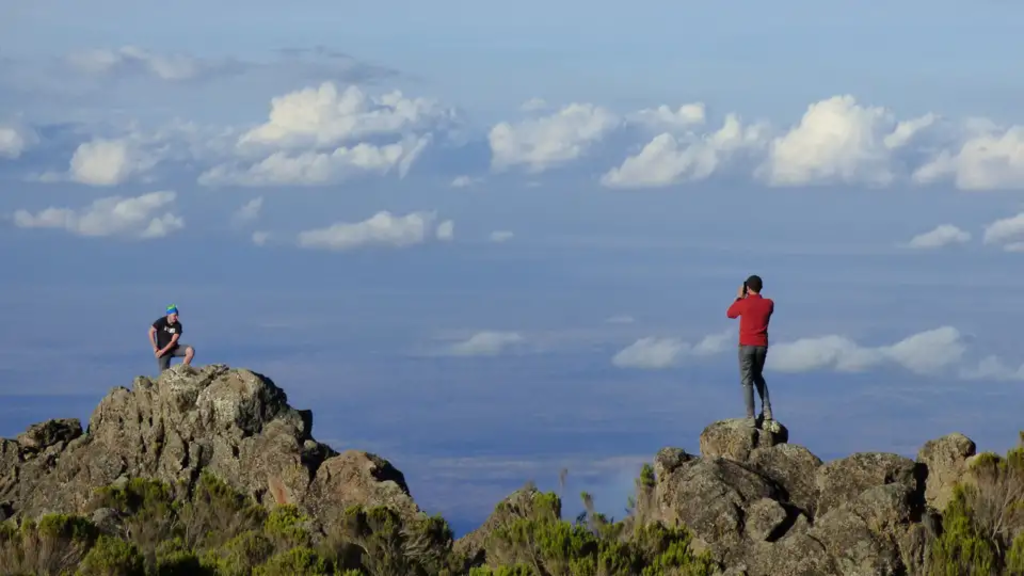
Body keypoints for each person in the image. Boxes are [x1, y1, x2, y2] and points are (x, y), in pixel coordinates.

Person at [726, 275, 774, 427]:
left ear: (748, 288)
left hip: (746, 345)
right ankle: (767, 410)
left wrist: (739, 297)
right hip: (762, 346)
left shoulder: (743, 303)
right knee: (757, 376)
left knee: (747, 380)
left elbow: (730, 314)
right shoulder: (769, 304)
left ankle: (750, 417)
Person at [149, 304, 194, 372]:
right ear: (168, 315)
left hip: (174, 349)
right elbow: (151, 332)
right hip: (163, 352)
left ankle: (182, 371)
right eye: (174, 315)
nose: (176, 317)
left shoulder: (178, 325)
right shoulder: (161, 321)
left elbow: (173, 342)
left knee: (190, 351)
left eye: (177, 315)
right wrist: (155, 347)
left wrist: (162, 351)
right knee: (164, 372)